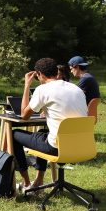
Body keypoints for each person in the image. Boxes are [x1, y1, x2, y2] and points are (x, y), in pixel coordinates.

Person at [13, 57, 87, 192]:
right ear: (56, 71)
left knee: (14, 134)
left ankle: (26, 182)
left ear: (39, 74)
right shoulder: (77, 89)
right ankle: (39, 180)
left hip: (58, 148)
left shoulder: (43, 89)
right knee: (42, 132)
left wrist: (26, 86)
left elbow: (24, 115)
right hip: (82, 146)